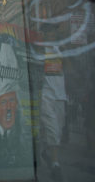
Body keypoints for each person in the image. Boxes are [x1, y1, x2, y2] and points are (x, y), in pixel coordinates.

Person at [39, 24, 68, 181]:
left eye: (53, 33)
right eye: (49, 33)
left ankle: (45, 151)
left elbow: (68, 69)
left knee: (59, 129)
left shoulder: (60, 50)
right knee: (52, 128)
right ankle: (56, 164)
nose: (52, 35)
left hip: (61, 95)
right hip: (46, 95)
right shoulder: (40, 51)